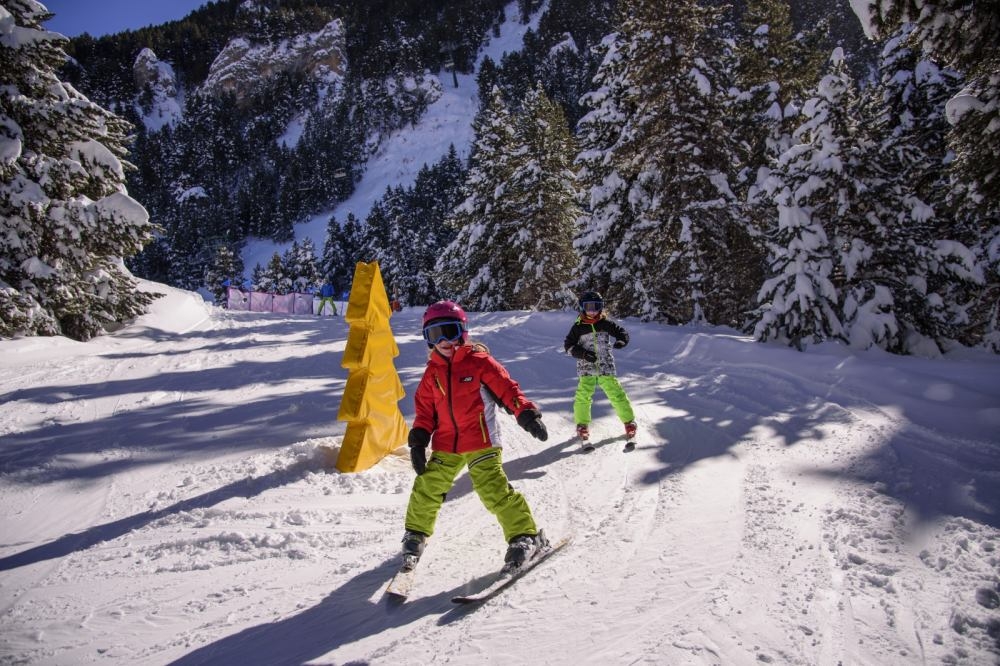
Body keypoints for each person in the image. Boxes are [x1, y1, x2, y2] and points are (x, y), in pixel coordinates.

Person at [401, 300, 550, 574]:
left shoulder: (480, 362)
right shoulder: (431, 374)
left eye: (451, 331)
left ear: (463, 332)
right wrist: (419, 440)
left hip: (483, 441)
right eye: (436, 334)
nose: (445, 340)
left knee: (492, 489)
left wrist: (526, 413)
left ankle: (525, 536)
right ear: (428, 339)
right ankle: (415, 534)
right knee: (427, 485)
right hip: (447, 444)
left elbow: (508, 390)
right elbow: (424, 412)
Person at [563, 291, 636, 444]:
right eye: (588, 307)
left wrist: (621, 341)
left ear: (601, 307)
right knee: (583, 395)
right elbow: (568, 346)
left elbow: (622, 333)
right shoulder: (578, 327)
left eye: (596, 307)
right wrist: (583, 354)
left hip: (605, 367)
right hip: (586, 367)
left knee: (616, 393)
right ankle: (582, 425)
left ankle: (629, 422)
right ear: (582, 308)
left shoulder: (606, 323)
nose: (592, 311)